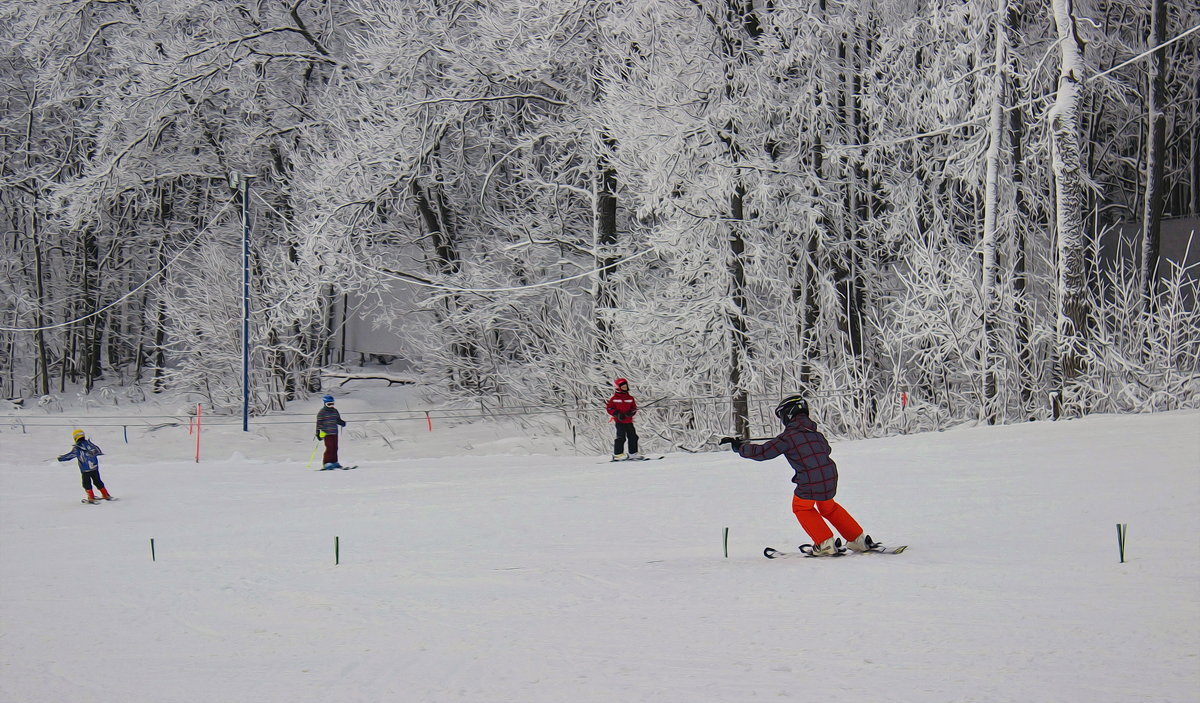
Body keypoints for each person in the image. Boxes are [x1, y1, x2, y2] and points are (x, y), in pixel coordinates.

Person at [721, 396, 874, 556]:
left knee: (801, 507)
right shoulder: (816, 434)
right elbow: (826, 450)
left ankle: (825, 543)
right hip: (830, 476)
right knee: (829, 507)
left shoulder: (788, 437)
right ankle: (858, 539)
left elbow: (763, 452)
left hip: (810, 479)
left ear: (788, 415)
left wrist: (740, 447)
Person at [57, 429, 113, 503]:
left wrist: (61, 458)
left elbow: (70, 456)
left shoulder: (77, 448)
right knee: (97, 481)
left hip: (85, 470)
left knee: (86, 483)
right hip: (94, 467)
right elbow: (98, 451)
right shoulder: (90, 444)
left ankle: (91, 497)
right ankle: (105, 494)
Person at [605, 378, 641, 461]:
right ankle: (618, 454)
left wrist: (630, 413)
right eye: (623, 387)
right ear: (618, 388)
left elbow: (634, 408)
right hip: (619, 422)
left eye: (626, 386)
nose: (625, 388)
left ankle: (633, 453)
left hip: (629, 421)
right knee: (621, 437)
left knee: (633, 437)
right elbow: (609, 408)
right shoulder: (614, 399)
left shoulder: (630, 398)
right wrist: (617, 414)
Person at [316, 395, 347, 470]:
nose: (331, 406)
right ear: (325, 404)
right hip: (327, 433)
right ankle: (327, 463)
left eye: (332, 404)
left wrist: (342, 423)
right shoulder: (322, 412)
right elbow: (319, 423)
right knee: (329, 448)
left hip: (334, 432)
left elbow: (337, 420)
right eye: (329, 404)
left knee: (335, 448)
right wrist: (318, 433)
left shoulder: (335, 411)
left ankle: (334, 462)